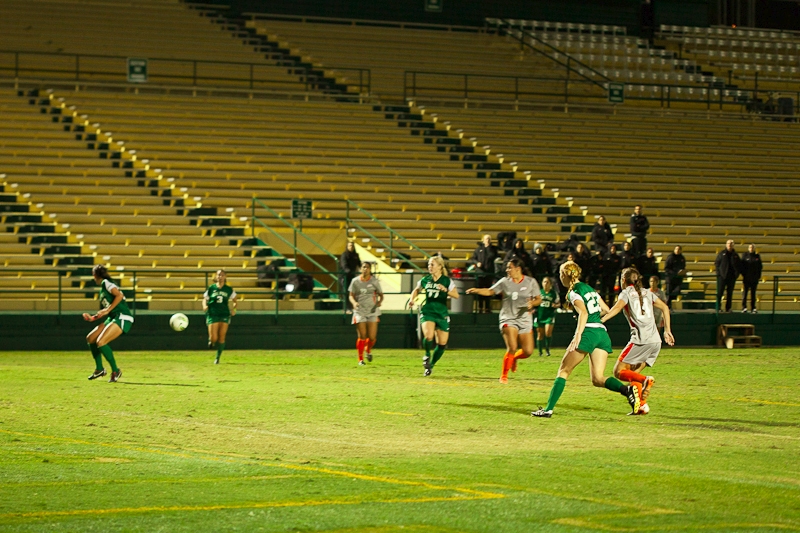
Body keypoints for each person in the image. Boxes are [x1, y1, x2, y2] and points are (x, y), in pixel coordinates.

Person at [532, 261, 642, 418]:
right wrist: (596, 321)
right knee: (598, 378)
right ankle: (627, 390)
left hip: (588, 333)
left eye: (560, 274)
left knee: (564, 371)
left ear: (565, 275)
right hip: (602, 334)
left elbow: (583, 313)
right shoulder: (590, 288)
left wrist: (578, 335)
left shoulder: (574, 292)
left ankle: (548, 409)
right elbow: (606, 310)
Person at [602, 267, 674, 415]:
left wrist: (602, 320)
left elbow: (616, 308)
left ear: (623, 280)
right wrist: (667, 331)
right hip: (655, 341)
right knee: (632, 372)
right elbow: (665, 308)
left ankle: (645, 380)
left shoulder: (626, 293)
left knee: (618, 371)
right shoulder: (648, 292)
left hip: (640, 340)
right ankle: (641, 405)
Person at [467, 258, 541, 383]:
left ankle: (514, 358)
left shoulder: (530, 282)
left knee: (528, 351)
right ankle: (504, 376)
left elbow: (539, 299)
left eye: (509, 267)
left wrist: (532, 303)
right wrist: (477, 290)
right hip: (508, 318)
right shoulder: (504, 282)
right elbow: (491, 291)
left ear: (518, 269)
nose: (507, 270)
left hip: (525, 319)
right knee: (512, 346)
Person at [408, 256, 459, 376]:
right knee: (429, 336)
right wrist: (412, 299)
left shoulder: (447, 281)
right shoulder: (425, 280)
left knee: (442, 344)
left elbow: (456, 295)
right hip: (428, 311)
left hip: (441, 313)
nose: (429, 267)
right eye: (429, 264)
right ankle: (426, 354)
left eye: (432, 264)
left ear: (440, 267)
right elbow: (416, 289)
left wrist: (446, 290)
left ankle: (430, 365)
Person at [84, 265, 133, 383]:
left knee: (101, 342)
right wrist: (94, 318)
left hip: (122, 316)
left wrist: (107, 310)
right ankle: (99, 369)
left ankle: (116, 371)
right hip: (113, 317)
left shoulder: (106, 282)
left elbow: (119, 295)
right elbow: (108, 309)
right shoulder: (103, 288)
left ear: (95, 275)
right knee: (91, 338)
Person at [349, 262, 384, 365]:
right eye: (364, 267)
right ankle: (360, 359)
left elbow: (381, 295)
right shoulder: (355, 281)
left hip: (372, 311)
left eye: (367, 267)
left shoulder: (374, 281)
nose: (365, 269)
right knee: (362, 336)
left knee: (372, 337)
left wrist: (379, 302)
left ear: (370, 269)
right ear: (360, 269)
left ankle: (368, 349)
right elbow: (351, 295)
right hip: (360, 311)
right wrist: (354, 303)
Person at [203, 269, 237, 364]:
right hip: (213, 314)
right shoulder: (211, 288)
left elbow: (235, 301)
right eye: (218, 275)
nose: (220, 277)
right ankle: (211, 340)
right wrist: (204, 306)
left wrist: (234, 310)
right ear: (215, 277)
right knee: (214, 338)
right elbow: (204, 299)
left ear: (225, 277)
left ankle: (217, 358)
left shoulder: (228, 289)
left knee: (221, 337)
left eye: (222, 275)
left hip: (224, 314)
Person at [469, 234, 499, 313]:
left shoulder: (493, 249)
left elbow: (494, 256)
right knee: (480, 291)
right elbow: (473, 258)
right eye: (486, 239)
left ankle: (487, 308)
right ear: (483, 240)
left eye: (489, 239)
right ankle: (480, 307)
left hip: (489, 273)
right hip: (480, 273)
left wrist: (489, 248)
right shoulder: (478, 249)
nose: (487, 241)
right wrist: (477, 263)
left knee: (489, 291)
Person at [535, 277, 560, 357]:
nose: (545, 284)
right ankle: (540, 352)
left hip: (549, 315)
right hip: (540, 315)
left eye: (547, 282)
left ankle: (547, 350)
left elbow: (559, 303)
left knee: (548, 333)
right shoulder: (539, 293)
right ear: (542, 283)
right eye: (544, 282)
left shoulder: (553, 293)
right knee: (540, 334)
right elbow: (533, 302)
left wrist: (555, 305)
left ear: (550, 284)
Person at [715, 240, 741, 313]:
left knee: (730, 293)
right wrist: (718, 273)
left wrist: (736, 275)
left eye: (731, 244)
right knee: (720, 293)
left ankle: (728, 308)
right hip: (722, 277)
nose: (730, 245)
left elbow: (739, 266)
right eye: (728, 243)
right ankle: (718, 307)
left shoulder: (735, 255)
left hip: (731, 277)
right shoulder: (722, 253)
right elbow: (717, 263)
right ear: (726, 245)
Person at [339, 241, 361, 312]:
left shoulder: (356, 255)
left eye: (352, 246)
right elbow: (344, 265)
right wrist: (348, 271)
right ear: (347, 247)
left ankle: (353, 307)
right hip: (344, 276)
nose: (351, 247)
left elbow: (360, 264)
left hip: (352, 276)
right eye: (349, 246)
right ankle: (346, 308)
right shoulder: (344, 255)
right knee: (346, 292)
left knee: (353, 292)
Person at [741, 244, 763, 313]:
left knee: (753, 294)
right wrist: (744, 275)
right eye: (750, 247)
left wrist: (758, 276)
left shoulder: (757, 256)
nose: (751, 248)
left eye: (753, 247)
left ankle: (753, 307)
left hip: (754, 278)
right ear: (748, 248)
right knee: (745, 293)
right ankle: (744, 307)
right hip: (747, 278)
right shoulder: (745, 256)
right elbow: (742, 266)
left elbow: (760, 267)